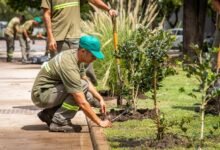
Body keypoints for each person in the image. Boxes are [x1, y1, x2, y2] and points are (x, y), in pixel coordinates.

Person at [31, 35, 112, 132]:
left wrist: (100, 98)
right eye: (93, 56)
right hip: (41, 95)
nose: (95, 59)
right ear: (83, 51)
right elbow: (81, 101)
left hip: (50, 91)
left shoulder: (76, 56)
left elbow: (85, 79)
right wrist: (100, 122)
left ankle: (49, 114)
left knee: (88, 94)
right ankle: (59, 121)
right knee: (82, 92)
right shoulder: (69, 65)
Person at [41, 0, 117, 85]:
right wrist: (50, 37)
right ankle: (61, 95)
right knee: (59, 69)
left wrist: (108, 9)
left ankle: (90, 90)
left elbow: (94, 1)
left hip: (75, 35)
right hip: (58, 37)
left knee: (84, 64)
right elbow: (46, 14)